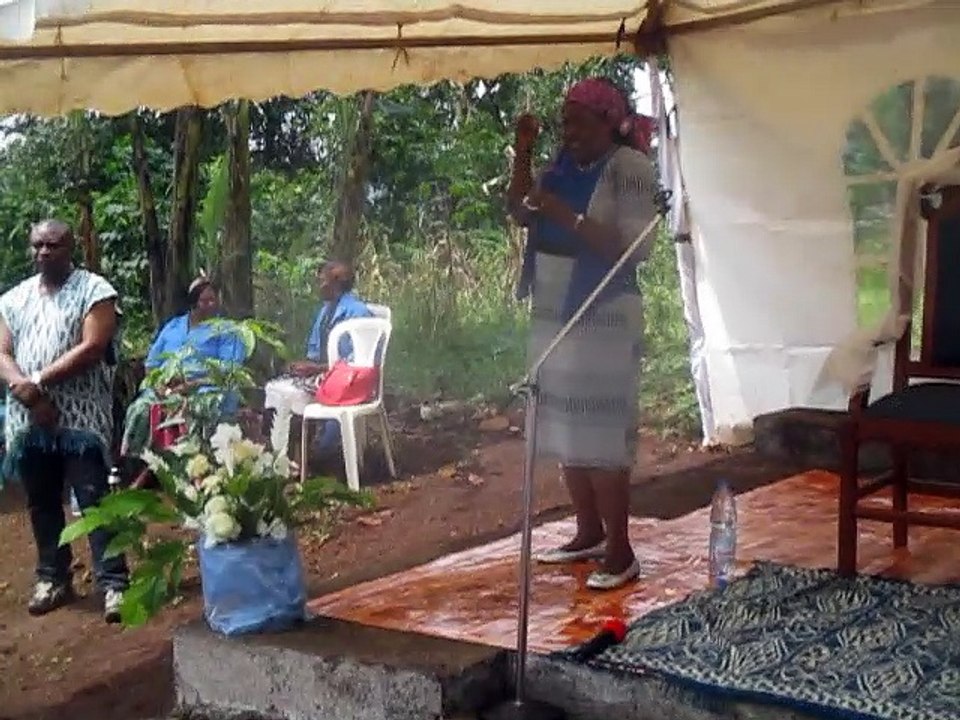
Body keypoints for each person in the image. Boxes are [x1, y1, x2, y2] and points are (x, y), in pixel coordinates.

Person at [507, 78, 659, 591]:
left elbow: (631, 247)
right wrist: (523, 154)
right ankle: (588, 531)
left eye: (577, 121)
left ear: (608, 121)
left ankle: (621, 551)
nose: (567, 131)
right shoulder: (562, 166)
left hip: (604, 308)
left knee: (602, 433)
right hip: (555, 304)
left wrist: (563, 214)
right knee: (568, 425)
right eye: (563, 121)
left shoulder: (628, 168)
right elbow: (519, 210)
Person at [0, 219, 129, 621]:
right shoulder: (13, 298)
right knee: (41, 503)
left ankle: (114, 583)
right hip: (28, 420)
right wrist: (26, 389)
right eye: (37, 245)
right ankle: (53, 578)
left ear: (69, 247)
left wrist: (36, 380)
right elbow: (2, 350)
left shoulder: (95, 290)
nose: (43, 252)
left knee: (94, 502)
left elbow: (92, 347)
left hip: (80, 420)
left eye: (52, 245)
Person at [121, 276, 246, 465]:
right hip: (167, 389)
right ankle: (133, 465)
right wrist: (160, 386)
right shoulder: (173, 326)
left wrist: (189, 385)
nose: (211, 305)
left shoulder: (227, 330)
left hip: (205, 389)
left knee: (198, 410)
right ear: (193, 302)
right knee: (139, 409)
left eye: (214, 300)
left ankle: (193, 468)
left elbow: (230, 370)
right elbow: (151, 364)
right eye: (205, 301)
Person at [264, 260, 372, 455]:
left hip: (348, 382)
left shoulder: (358, 312)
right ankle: (285, 453)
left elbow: (359, 361)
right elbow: (314, 350)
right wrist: (304, 366)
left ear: (336, 283)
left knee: (292, 395)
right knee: (276, 388)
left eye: (322, 281)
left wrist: (318, 369)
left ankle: (317, 453)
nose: (319, 285)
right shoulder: (325, 311)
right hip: (324, 375)